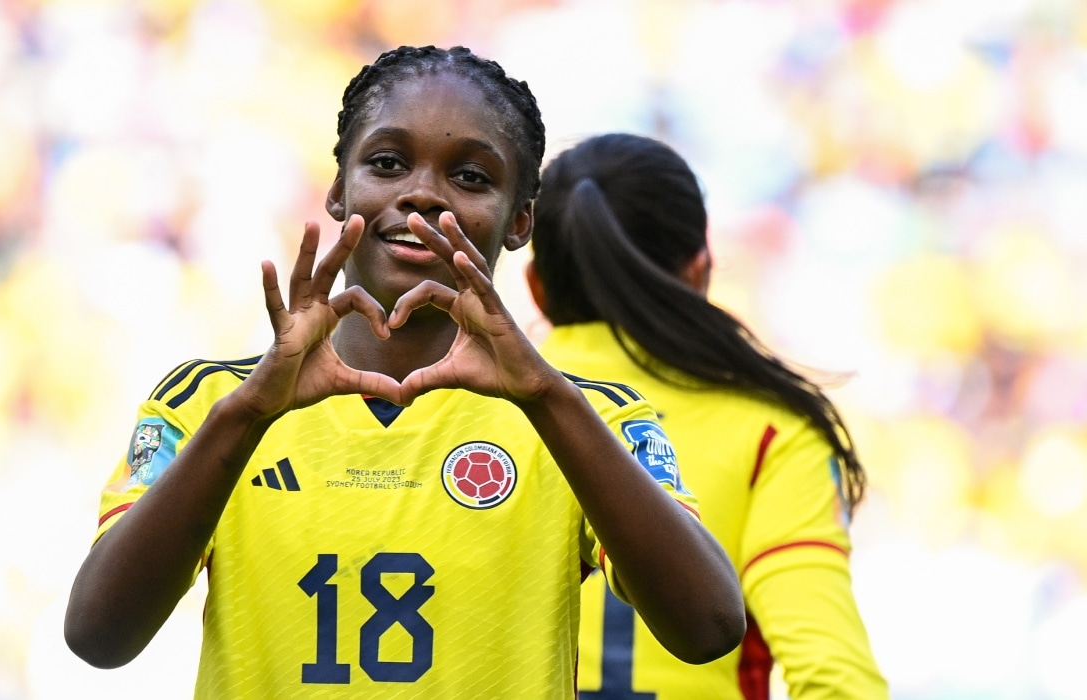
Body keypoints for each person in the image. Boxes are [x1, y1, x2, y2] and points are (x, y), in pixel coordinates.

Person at [63, 48, 744, 699]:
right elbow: (99, 635)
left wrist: (544, 396)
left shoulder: (583, 414)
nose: (421, 195)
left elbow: (708, 627)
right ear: (338, 190)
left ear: (519, 221)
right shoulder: (212, 401)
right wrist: (246, 418)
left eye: (471, 177)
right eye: (387, 163)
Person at [526, 133, 889, 699]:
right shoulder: (773, 432)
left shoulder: (470, 409)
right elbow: (833, 678)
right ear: (699, 271)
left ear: (536, 287)